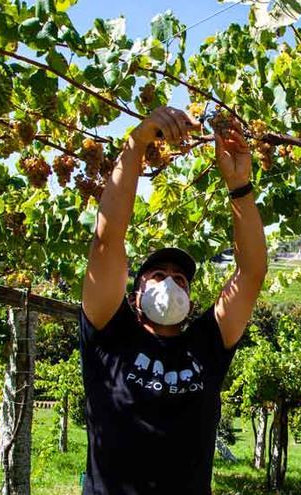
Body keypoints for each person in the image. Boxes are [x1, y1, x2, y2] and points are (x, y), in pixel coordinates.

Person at [79, 106, 267, 494]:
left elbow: (251, 274)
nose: (170, 284)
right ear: (135, 296)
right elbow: (106, 241)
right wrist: (136, 144)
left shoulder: (206, 345)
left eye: (180, 279)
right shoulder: (108, 336)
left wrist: (240, 186)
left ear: (191, 299)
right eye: (158, 275)